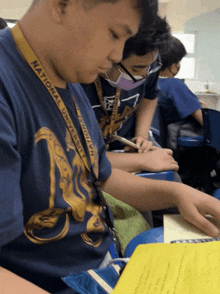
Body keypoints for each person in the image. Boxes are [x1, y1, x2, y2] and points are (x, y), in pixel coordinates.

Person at [1, 1, 220, 293]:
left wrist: (177, 193)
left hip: (104, 264)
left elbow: (100, 175)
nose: (117, 55)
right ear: (61, 4)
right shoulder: (9, 85)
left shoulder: (70, 79)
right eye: (115, 34)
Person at [82, 16, 179, 174]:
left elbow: (150, 95)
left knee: (169, 170)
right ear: (109, 56)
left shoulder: (148, 60)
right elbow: (76, 158)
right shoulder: (77, 79)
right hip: (89, 155)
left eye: (148, 67)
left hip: (125, 144)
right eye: (135, 69)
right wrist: (141, 161)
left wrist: (141, 136)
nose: (144, 75)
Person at [157, 36, 219, 190]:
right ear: (173, 65)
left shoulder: (152, 85)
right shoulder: (174, 85)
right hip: (186, 155)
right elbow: (208, 124)